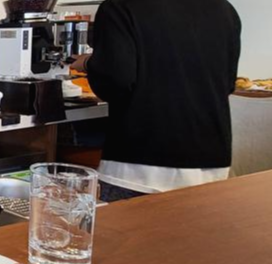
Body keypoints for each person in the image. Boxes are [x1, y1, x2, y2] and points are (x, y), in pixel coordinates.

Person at [73, 0, 242, 202]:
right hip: (211, 163)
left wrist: (89, 63)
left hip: (139, 166)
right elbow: (227, 84)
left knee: (129, 224)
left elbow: (115, 82)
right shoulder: (224, 10)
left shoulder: (120, 7)